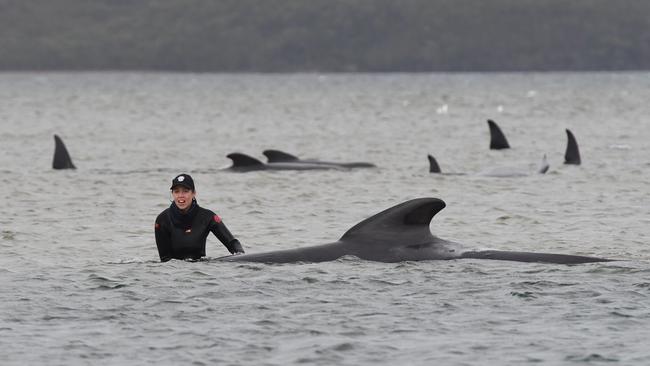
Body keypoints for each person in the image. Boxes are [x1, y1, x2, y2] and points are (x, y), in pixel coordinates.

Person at [154, 173, 244, 262]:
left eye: (185, 191)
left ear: (194, 193)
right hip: (174, 273)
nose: (180, 195)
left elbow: (232, 243)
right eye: (176, 191)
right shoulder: (162, 220)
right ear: (172, 194)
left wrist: (242, 258)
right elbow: (165, 260)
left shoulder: (207, 217)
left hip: (200, 271)